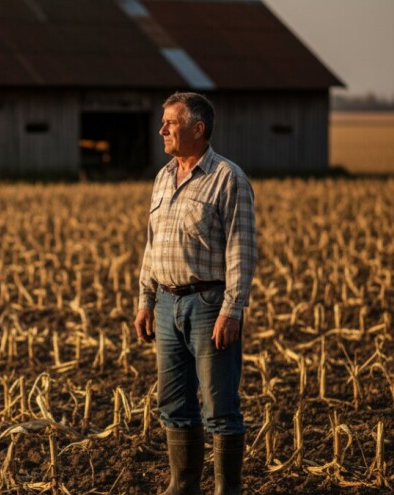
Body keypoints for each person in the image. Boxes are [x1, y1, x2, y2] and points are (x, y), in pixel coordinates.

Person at [134, 92, 257, 495]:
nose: (162, 130)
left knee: (220, 408)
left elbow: (241, 249)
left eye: (170, 122)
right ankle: (182, 485)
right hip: (167, 303)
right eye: (163, 122)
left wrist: (232, 310)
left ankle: (227, 490)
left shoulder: (228, 178)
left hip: (209, 306)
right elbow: (151, 245)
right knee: (173, 405)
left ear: (197, 129)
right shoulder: (163, 177)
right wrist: (145, 300)